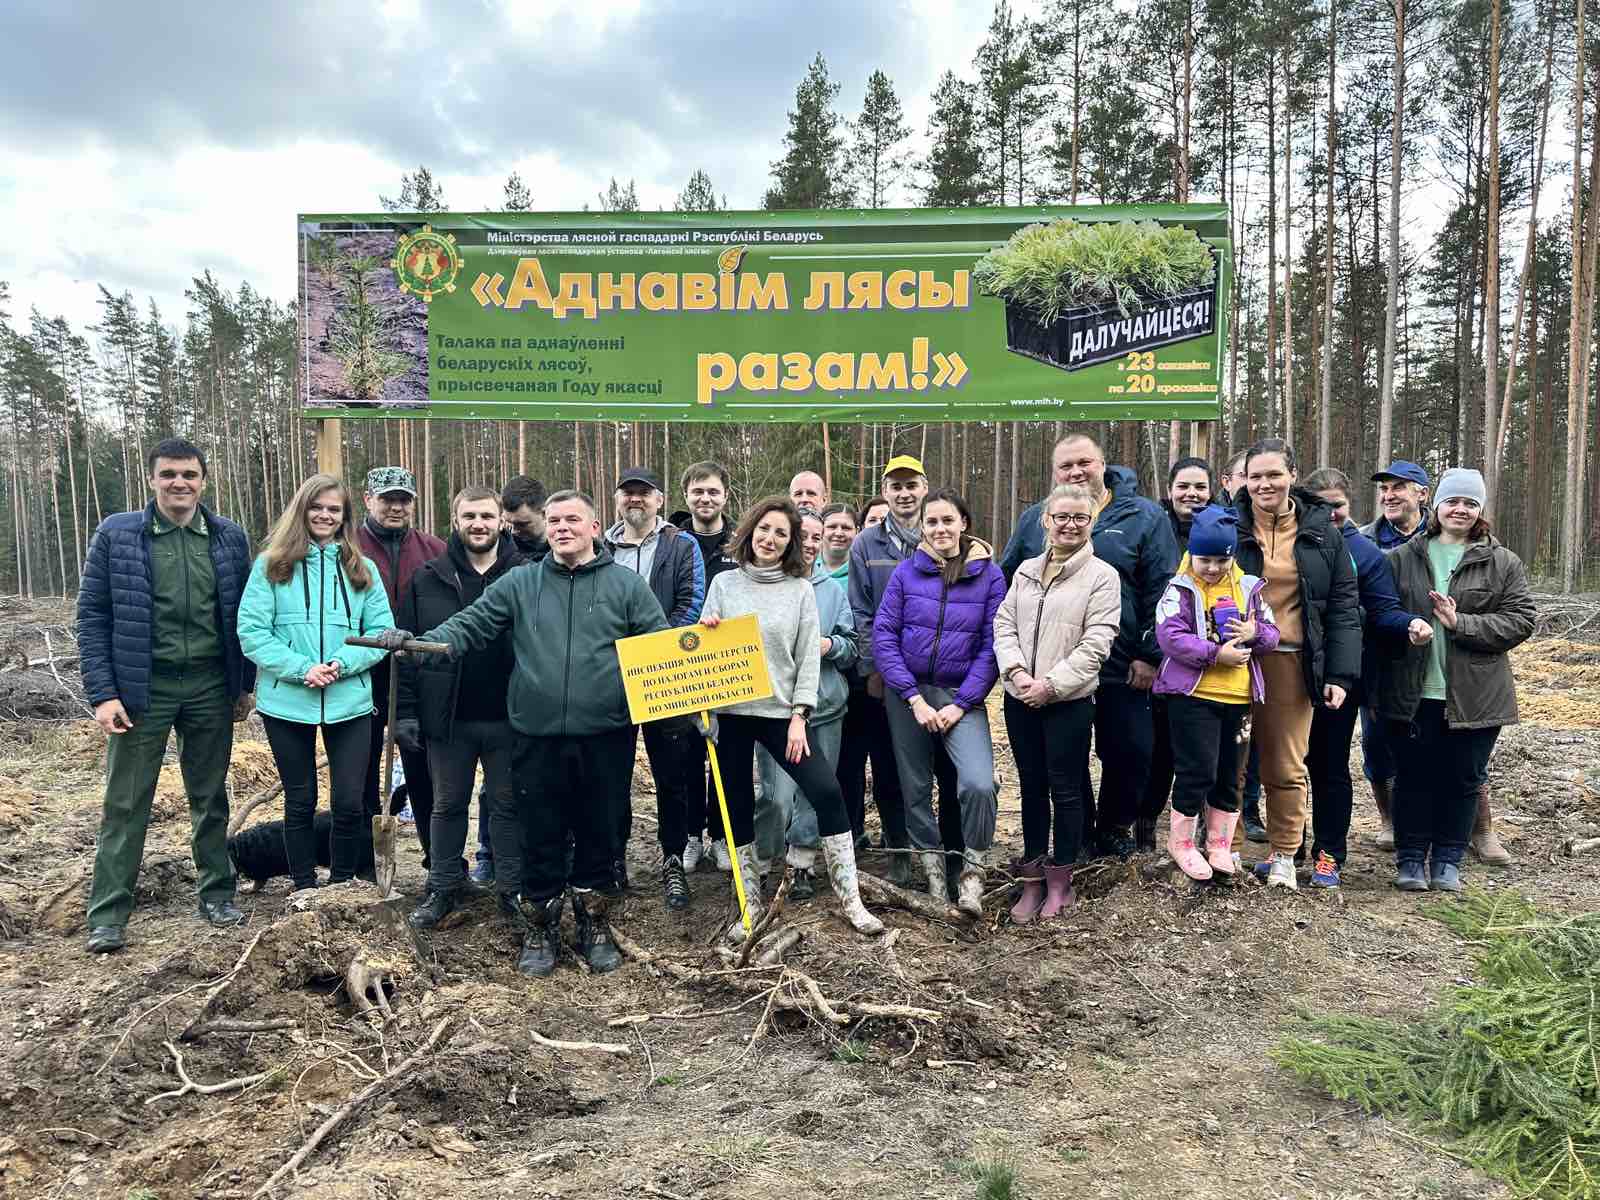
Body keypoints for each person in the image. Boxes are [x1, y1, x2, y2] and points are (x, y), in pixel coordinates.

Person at [386, 490, 668, 975]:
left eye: (572, 520)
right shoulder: (521, 584)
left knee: (600, 833)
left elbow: (661, 645)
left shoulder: (626, 587)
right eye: (554, 520)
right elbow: (470, 625)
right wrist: (418, 644)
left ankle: (593, 924)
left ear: (595, 528)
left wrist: (701, 648)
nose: (562, 528)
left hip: (606, 735)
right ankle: (540, 927)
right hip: (535, 736)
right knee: (539, 832)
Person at [79, 438, 257, 953]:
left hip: (208, 686)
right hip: (141, 690)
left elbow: (240, 617)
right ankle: (109, 914)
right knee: (125, 802)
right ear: (152, 479)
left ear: (204, 480)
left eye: (189, 474)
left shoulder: (227, 538)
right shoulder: (119, 534)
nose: (180, 483)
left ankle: (217, 894)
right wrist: (103, 694)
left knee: (210, 795)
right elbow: (92, 616)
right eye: (169, 474)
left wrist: (242, 686)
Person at [700, 497, 883, 939]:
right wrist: (706, 630)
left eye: (781, 533)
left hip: (781, 713)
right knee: (739, 806)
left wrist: (800, 715)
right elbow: (700, 654)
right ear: (751, 531)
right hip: (731, 714)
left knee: (826, 791)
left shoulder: (800, 589)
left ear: (791, 543)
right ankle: (750, 905)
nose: (771, 539)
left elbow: (807, 657)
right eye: (765, 529)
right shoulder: (724, 584)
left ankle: (850, 899)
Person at [1000, 433, 1178, 860]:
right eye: (1066, 466)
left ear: (1103, 464)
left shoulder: (1145, 517)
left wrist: (1149, 654)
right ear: (1054, 473)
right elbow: (1007, 581)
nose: (1077, 471)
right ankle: (1076, 837)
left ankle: (1115, 826)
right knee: (1066, 759)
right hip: (1053, 668)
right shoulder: (1034, 520)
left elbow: (1164, 588)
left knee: (1130, 750)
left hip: (1122, 662)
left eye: (1085, 462)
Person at [1377, 469, 1534, 891]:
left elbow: (1521, 621)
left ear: (1480, 510)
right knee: (1411, 777)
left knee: (1463, 779)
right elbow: (1377, 614)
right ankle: (1410, 860)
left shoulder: (1502, 561)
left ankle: (1448, 860)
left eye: (1469, 503)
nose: (1460, 509)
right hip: (1412, 691)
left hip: (1476, 695)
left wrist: (1459, 622)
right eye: (1452, 501)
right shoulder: (1401, 558)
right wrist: (1406, 626)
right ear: (1437, 506)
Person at [239, 474, 393, 892]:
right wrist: (301, 667)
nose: (325, 515)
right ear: (302, 510)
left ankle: (342, 884)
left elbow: (381, 632)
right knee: (300, 799)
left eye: (334, 509)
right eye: (317, 507)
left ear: (345, 517)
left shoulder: (363, 569)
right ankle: (304, 886)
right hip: (287, 701)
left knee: (348, 801)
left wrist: (342, 664)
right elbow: (252, 631)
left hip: (350, 702)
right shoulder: (272, 565)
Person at [1230, 439, 1361, 890]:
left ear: (1292, 475)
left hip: (1291, 660)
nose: (1264, 484)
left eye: (1273, 474)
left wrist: (1340, 674)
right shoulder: (1228, 524)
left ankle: (1285, 853)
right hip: (1232, 659)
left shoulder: (1323, 532)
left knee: (1285, 765)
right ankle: (1222, 849)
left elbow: (1343, 606)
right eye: (1255, 476)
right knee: (1228, 761)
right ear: (1244, 480)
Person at [873, 488, 1007, 915]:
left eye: (948, 520)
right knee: (914, 788)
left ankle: (971, 871)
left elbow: (992, 647)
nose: (940, 529)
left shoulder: (990, 576)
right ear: (923, 529)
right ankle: (933, 873)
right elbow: (884, 636)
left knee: (978, 783)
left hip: (958, 696)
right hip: (908, 695)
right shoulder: (906, 573)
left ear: (964, 523)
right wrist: (912, 697)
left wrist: (963, 702)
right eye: (931, 522)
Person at [396, 486, 524, 927]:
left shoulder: (526, 574)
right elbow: (409, 651)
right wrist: (407, 713)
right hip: (448, 719)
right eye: (469, 515)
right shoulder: (428, 577)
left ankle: (511, 890)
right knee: (447, 806)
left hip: (511, 716)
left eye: (487, 516)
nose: (479, 524)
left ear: (501, 521)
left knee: (507, 806)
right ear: (455, 520)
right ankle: (443, 887)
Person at [994, 484, 1121, 921]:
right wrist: (1016, 673)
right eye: (1061, 517)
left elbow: (1097, 643)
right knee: (1030, 786)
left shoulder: (1103, 577)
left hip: (1068, 701)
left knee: (1065, 788)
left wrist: (1051, 684)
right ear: (1046, 520)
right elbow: (1004, 624)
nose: (1069, 525)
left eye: (1079, 518)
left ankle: (1060, 882)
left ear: (1092, 522)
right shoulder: (1026, 570)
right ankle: (1030, 880)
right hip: (1020, 697)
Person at [1299, 468, 1420, 888]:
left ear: (1349, 506)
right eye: (1321, 505)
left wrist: (1408, 624)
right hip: (1289, 674)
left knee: (1329, 764)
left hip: (1340, 677)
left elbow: (1384, 609)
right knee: (1286, 765)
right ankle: (1288, 847)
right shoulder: (1290, 543)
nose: (1331, 514)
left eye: (1338, 505)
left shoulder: (1365, 553)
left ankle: (1330, 853)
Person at [848, 456, 962, 887]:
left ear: (924, 486)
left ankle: (951, 854)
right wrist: (873, 667)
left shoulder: (943, 537)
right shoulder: (866, 545)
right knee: (892, 770)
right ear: (885, 490)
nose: (903, 493)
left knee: (947, 770)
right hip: (888, 679)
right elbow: (861, 611)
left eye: (911, 484)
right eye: (895, 486)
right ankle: (900, 847)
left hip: (942, 678)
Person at [1153, 506, 1280, 881]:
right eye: (1204, 559)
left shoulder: (1248, 588)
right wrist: (1215, 654)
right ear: (1191, 554)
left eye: (1220, 559)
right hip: (1194, 696)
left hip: (1239, 698)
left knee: (1230, 774)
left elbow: (1273, 634)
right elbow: (1170, 637)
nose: (1212, 568)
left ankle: (1220, 844)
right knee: (1197, 770)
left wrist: (1252, 634)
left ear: (1232, 556)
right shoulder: (1179, 588)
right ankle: (1183, 843)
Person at [604, 466, 705, 907]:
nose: (636, 501)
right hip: (609, 675)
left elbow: (692, 601)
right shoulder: (601, 547)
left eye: (644, 494)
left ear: (659, 500)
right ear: (617, 499)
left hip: (666, 675)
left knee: (673, 773)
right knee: (612, 771)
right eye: (628, 494)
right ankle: (613, 859)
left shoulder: (682, 545)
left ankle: (673, 859)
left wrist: (654, 648)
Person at [752, 507, 858, 898]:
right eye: (804, 536)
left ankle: (801, 862)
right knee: (775, 795)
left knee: (817, 791)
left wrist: (829, 645)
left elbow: (852, 647)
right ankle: (762, 861)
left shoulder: (832, 589)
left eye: (817, 537)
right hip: (775, 710)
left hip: (825, 706)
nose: (811, 544)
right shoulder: (765, 584)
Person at [356, 467, 444, 861]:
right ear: (367, 500)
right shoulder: (347, 548)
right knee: (360, 769)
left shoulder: (433, 549)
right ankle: (366, 861)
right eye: (387, 498)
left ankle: (436, 856)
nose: (396, 506)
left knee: (423, 768)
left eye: (403, 499)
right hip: (361, 672)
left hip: (418, 676)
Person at [1139, 456, 1217, 851]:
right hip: (1162, 661)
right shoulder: (1153, 528)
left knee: (1203, 755)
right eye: (1183, 486)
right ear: (1169, 490)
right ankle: (1146, 826)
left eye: (1199, 487)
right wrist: (1151, 653)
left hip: (1211, 664)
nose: (1192, 494)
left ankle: (1204, 834)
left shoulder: (1222, 530)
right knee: (1159, 753)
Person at [1356, 459, 1433, 854]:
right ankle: (1389, 820)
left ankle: (1469, 827)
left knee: (1441, 740)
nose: (1389, 495)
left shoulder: (1445, 535)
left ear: (1422, 493)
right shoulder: (1364, 539)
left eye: (1399, 487)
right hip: (1380, 659)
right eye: (1384, 489)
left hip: (1432, 655)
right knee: (1377, 743)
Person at [669, 461, 740, 872]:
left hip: (729, 663)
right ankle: (691, 835)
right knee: (689, 755)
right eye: (698, 492)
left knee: (725, 752)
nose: (705, 499)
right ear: (687, 496)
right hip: (685, 661)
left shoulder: (739, 541)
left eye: (713, 491)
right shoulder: (675, 542)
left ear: (724, 496)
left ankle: (721, 835)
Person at [819, 503, 896, 849]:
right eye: (832, 525)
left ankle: (891, 834)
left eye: (846, 527)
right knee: (845, 764)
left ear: (857, 533)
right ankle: (849, 831)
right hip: (833, 680)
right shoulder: (810, 570)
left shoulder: (865, 567)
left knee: (882, 759)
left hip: (869, 673)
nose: (839, 532)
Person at [500, 475, 549, 561]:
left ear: (544, 514)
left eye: (522, 524)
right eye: (508, 522)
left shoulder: (565, 550)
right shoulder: (500, 549)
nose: (513, 531)